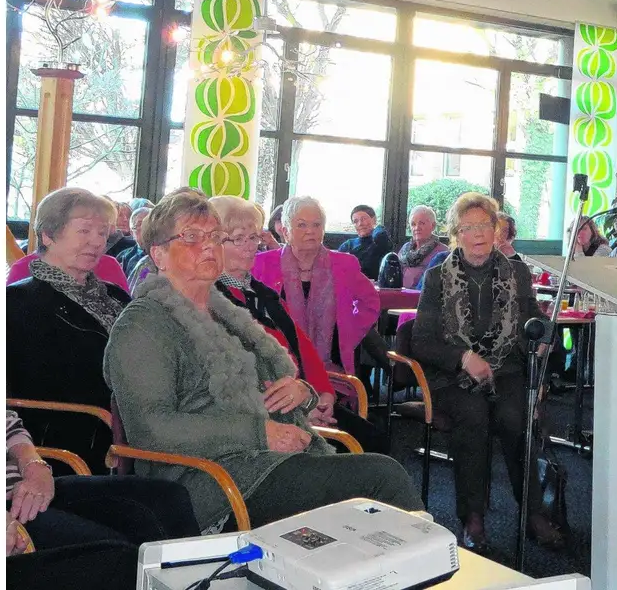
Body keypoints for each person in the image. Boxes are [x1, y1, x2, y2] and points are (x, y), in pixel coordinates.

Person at [104, 189, 420, 533]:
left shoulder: (226, 313)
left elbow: (278, 381)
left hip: (266, 460)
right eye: (191, 237)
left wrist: (304, 392)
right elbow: (151, 429)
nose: (209, 245)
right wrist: (259, 432)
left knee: (370, 497)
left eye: (214, 236)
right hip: (208, 478)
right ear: (159, 254)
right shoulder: (143, 324)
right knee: (380, 477)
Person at [410, 192, 565, 552]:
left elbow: (531, 318)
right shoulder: (436, 278)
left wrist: (545, 334)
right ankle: (472, 517)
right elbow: (421, 341)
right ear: (456, 234)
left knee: (515, 418)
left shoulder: (517, 271)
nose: (477, 233)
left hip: (506, 370)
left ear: (497, 230)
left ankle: (533, 513)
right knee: (473, 416)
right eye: (468, 228)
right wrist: (463, 358)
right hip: (452, 375)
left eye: (484, 225)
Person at [209, 195, 389, 454]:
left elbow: (302, 346)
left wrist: (323, 394)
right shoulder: (213, 297)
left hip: (307, 392)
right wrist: (306, 403)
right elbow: (251, 372)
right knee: (365, 455)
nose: (250, 247)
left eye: (253, 238)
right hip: (268, 415)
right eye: (239, 239)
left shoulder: (263, 294)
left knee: (376, 444)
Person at [7, 187, 132, 471]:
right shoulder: (16, 303)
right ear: (48, 235)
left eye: (102, 233)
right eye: (84, 231)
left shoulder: (116, 296)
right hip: (68, 443)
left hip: (130, 430)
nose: (96, 242)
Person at [5, 408, 197, 558]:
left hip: (22, 486)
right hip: (10, 510)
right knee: (115, 552)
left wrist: (35, 467)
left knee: (167, 498)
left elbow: (8, 425)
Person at [252, 197, 382, 383]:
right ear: (286, 231)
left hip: (332, 369)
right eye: (302, 225)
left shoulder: (344, 263)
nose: (310, 231)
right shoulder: (261, 264)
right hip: (274, 371)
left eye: (316, 224)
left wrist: (347, 330)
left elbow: (370, 302)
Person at [398, 205, 449, 290]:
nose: (417, 228)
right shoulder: (405, 248)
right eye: (413, 224)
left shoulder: (443, 252)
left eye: (422, 223)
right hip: (399, 297)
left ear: (433, 226)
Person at [337, 204, 392, 281]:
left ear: (374, 219)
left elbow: (381, 235)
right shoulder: (348, 245)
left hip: (376, 288)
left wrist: (377, 228)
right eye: (355, 221)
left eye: (363, 219)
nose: (360, 224)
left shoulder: (380, 240)